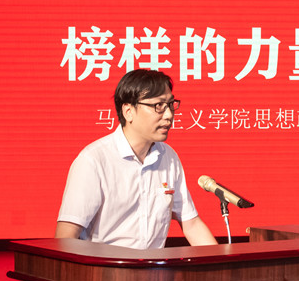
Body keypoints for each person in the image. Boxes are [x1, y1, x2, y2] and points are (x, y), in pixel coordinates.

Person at [55, 69, 218, 249]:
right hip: (105, 265)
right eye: (158, 106)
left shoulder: (169, 158)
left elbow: (192, 224)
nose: (169, 115)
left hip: (154, 266)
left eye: (171, 104)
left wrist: (222, 262)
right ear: (128, 111)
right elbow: (66, 236)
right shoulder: (94, 160)